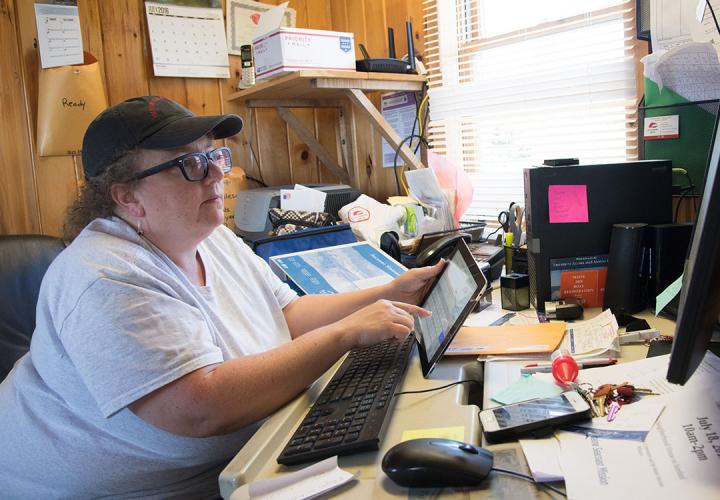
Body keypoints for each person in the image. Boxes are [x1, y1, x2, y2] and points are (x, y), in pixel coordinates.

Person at [0, 96, 444, 498]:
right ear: (127, 196)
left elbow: (287, 312)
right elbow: (198, 409)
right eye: (189, 164)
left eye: (214, 155)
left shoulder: (209, 236)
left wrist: (387, 293)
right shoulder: (104, 275)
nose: (218, 173)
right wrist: (345, 335)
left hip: (233, 466)